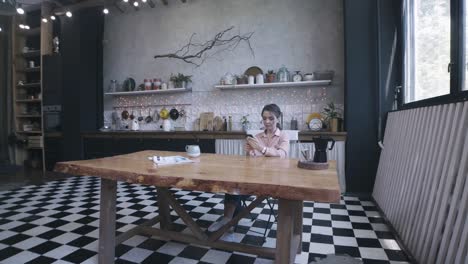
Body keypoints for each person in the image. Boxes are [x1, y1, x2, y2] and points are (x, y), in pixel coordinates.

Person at [208, 103, 289, 232]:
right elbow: (251, 161)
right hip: (256, 178)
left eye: (271, 118)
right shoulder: (257, 137)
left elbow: (281, 155)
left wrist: (261, 149)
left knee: (237, 191)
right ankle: (227, 219)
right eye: (264, 118)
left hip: (274, 180)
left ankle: (231, 219)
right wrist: (249, 152)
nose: (267, 121)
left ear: (278, 119)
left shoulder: (283, 136)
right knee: (232, 186)